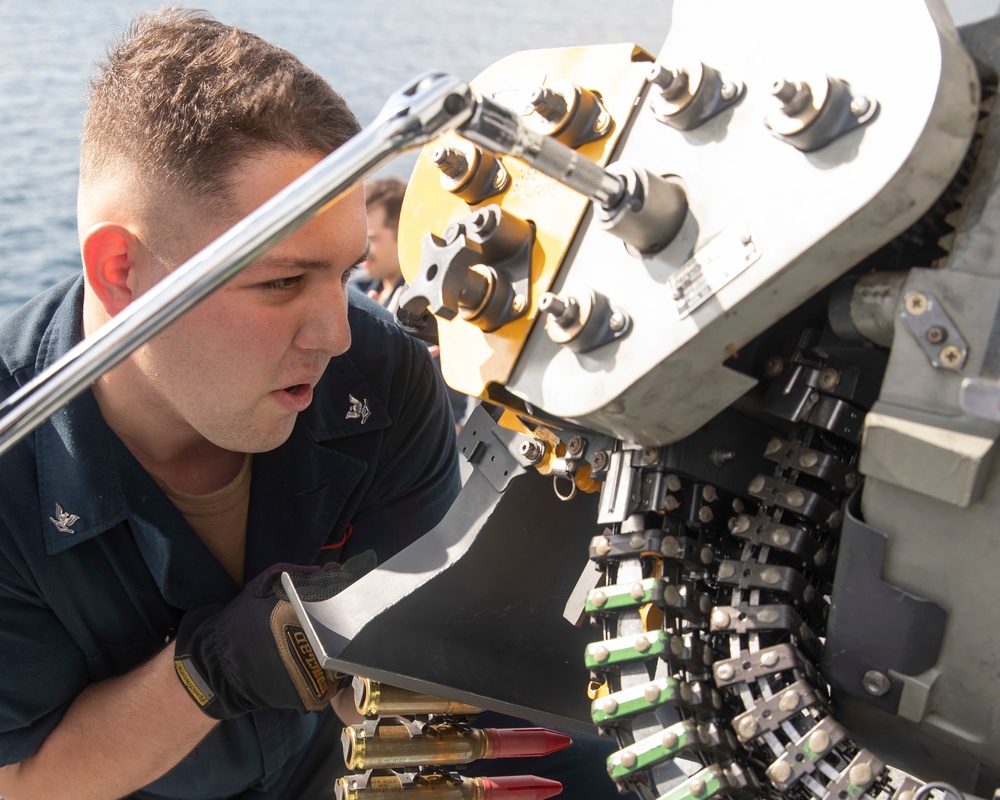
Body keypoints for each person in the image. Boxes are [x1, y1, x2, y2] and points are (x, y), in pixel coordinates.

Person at [0, 9, 460, 799]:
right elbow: (22, 780)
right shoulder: (12, 464)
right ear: (122, 273)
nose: (336, 336)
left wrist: (396, 670)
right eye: (281, 282)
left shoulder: (384, 378)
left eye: (346, 274)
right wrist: (207, 675)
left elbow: (421, 661)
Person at [362, 176, 471, 429]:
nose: (363, 249)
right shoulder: (359, 295)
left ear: (401, 234)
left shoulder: (431, 307)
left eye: (372, 239)